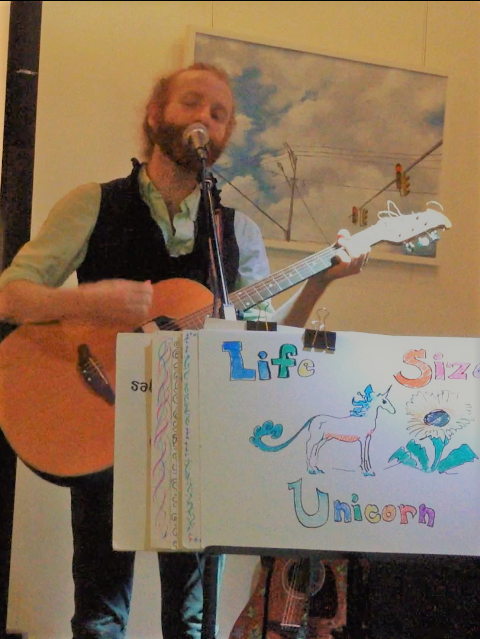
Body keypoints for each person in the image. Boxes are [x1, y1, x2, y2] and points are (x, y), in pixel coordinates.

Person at [0, 63, 369, 639]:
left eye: (218, 114)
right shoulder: (92, 204)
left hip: (194, 438)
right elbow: (10, 297)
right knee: (100, 617)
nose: (205, 118)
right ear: (156, 115)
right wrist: (91, 300)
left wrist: (318, 282)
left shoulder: (237, 233)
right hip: (103, 422)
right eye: (192, 103)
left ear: (222, 137)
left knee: (193, 621)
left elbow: (265, 345)